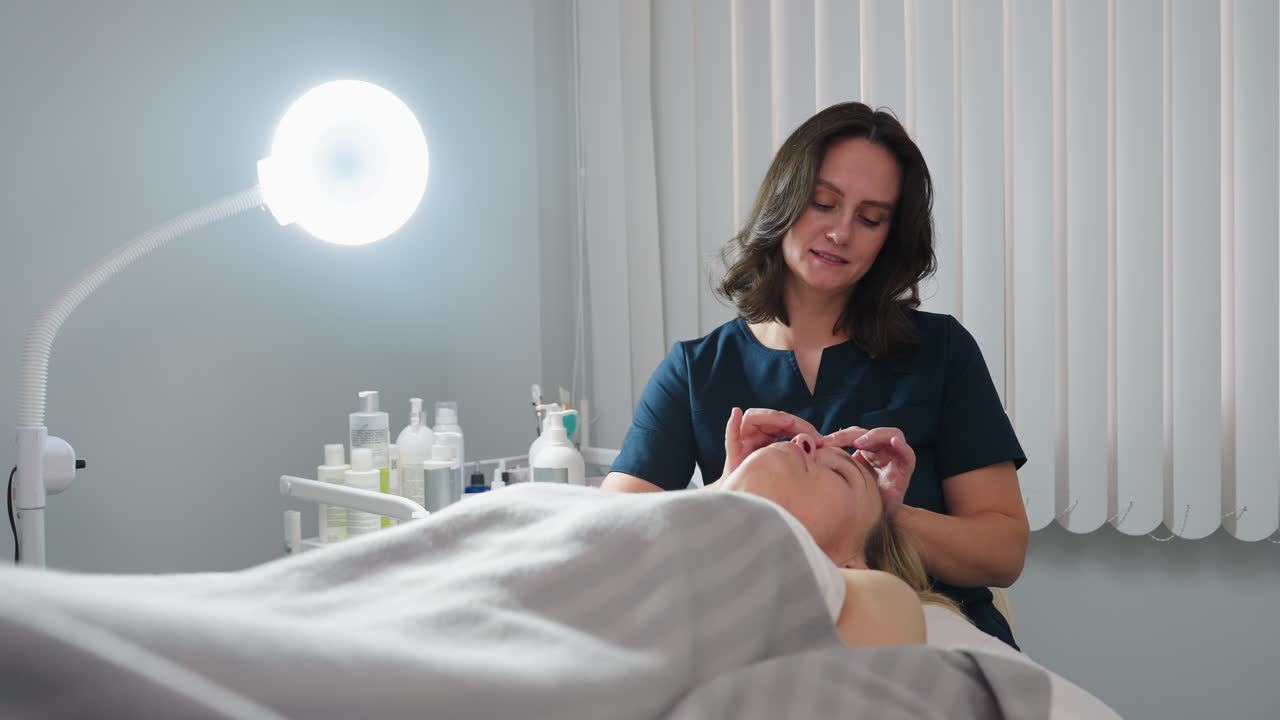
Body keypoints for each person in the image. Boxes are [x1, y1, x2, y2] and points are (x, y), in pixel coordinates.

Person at [602, 101, 1030, 648]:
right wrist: (731, 494)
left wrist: (881, 513)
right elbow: (614, 537)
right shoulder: (695, 370)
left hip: (932, 629)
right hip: (760, 635)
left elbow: (1003, 551)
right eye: (823, 203)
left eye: (870, 219)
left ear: (889, 237)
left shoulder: (940, 351)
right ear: (784, 199)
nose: (841, 232)